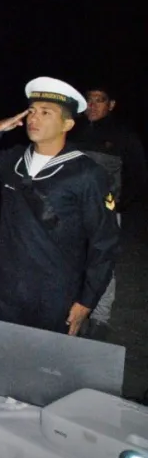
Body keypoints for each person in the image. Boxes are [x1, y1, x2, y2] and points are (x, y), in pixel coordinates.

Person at [0, 77, 119, 336]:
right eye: (32, 111)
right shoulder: (13, 160)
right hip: (8, 284)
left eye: (46, 112)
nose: (33, 119)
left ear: (67, 124)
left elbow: (103, 242)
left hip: (55, 290)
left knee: (46, 369)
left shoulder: (86, 173)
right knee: (4, 361)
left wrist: (86, 300)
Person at [72, 84, 146, 339]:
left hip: (104, 212)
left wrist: (119, 204)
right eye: (89, 99)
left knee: (102, 262)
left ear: (111, 104)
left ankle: (100, 318)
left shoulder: (123, 135)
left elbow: (138, 174)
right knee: (69, 259)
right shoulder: (72, 128)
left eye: (99, 100)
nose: (92, 105)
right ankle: (72, 310)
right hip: (71, 210)